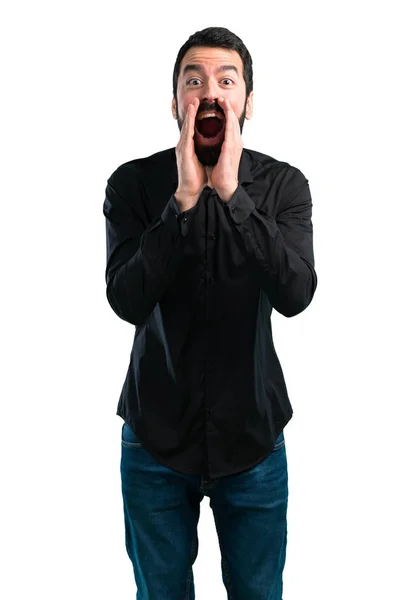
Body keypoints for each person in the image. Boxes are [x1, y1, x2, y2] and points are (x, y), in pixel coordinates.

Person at [103, 26, 317, 600]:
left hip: (253, 442)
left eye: (227, 80)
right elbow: (125, 300)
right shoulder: (133, 185)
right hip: (154, 441)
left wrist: (232, 196)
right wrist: (183, 203)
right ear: (175, 103)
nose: (210, 93)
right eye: (193, 81)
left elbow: (297, 294)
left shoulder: (283, 186)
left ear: (248, 101)